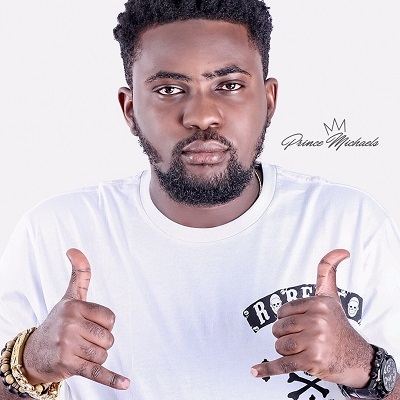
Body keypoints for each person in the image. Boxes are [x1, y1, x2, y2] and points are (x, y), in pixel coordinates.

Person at [1, 0, 399, 399]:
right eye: (169, 89)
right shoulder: (54, 232)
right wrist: (29, 364)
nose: (202, 116)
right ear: (130, 109)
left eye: (229, 85)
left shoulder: (351, 223)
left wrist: (362, 365)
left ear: (269, 100)